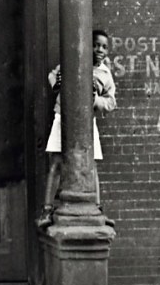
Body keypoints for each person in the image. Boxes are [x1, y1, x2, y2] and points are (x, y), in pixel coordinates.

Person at [37, 29, 116, 229]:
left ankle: (97, 208)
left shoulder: (105, 75)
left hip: (87, 123)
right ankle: (47, 210)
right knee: (56, 163)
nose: (100, 50)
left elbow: (111, 102)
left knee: (92, 167)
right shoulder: (72, 62)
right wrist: (58, 84)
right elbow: (52, 75)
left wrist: (96, 99)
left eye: (104, 47)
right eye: (96, 45)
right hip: (63, 117)